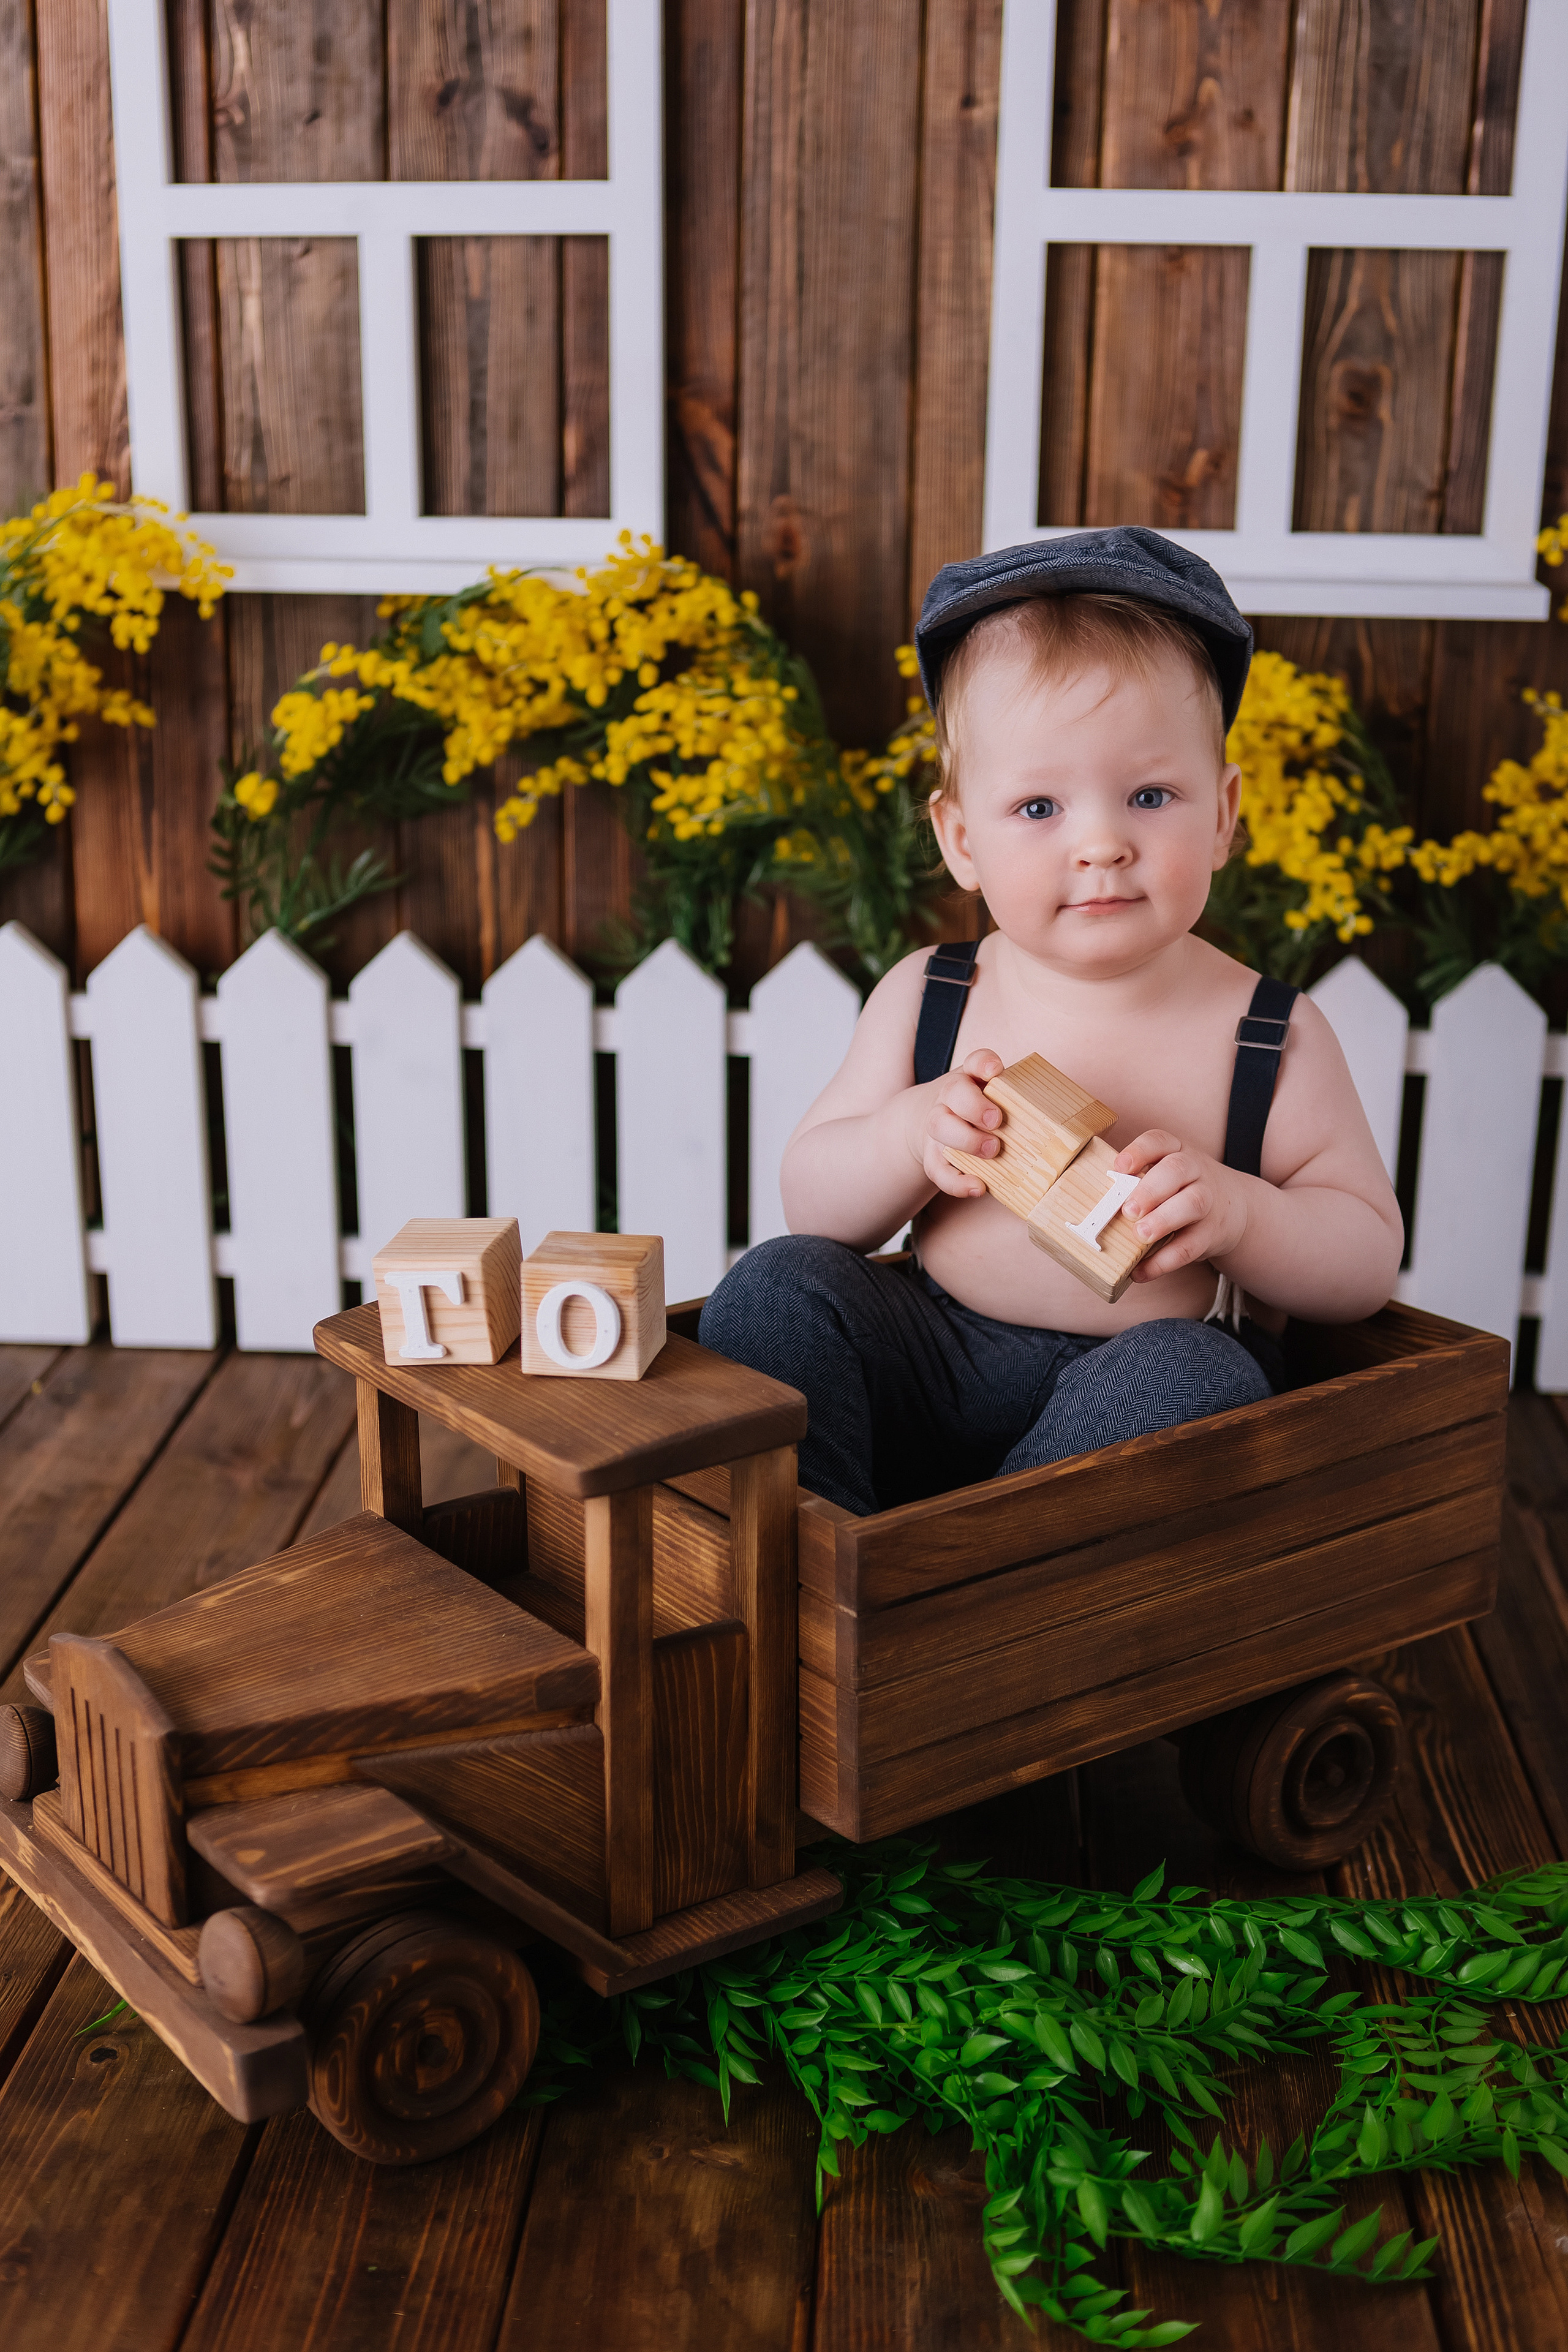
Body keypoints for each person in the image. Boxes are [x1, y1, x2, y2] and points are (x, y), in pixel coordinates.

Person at [701, 527, 1403, 1515]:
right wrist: (910, 1135)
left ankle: (973, 1588)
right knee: (777, 1286)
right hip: (933, 1354)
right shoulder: (933, 995)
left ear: (1223, 816)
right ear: (961, 841)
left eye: (1150, 796)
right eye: (1038, 808)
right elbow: (815, 1205)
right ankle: (823, 1562)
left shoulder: (1269, 1033)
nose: (1104, 844)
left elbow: (1365, 1257)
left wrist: (1242, 1213)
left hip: (1135, 1390)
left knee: (1202, 1381)